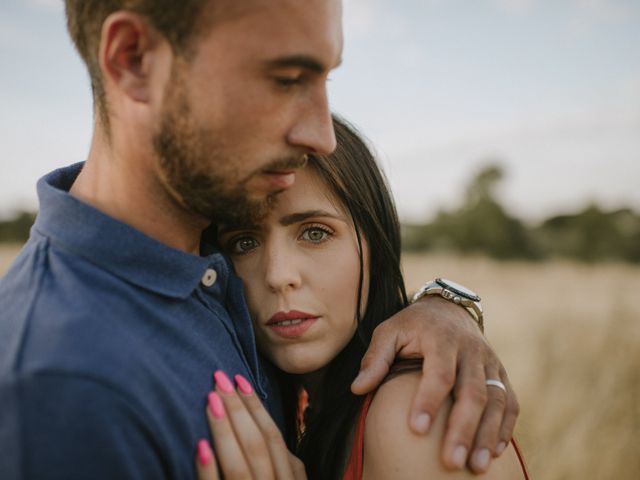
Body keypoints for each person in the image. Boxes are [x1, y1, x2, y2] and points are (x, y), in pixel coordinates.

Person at [0, 1, 517, 478]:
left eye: (325, 79)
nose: (322, 135)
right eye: (287, 79)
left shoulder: (202, 253)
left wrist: (445, 304)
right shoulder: (59, 385)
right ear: (134, 59)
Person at [196, 117, 529, 479]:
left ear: (375, 244)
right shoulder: (308, 402)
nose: (278, 276)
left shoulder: (413, 415)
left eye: (315, 233)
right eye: (244, 242)